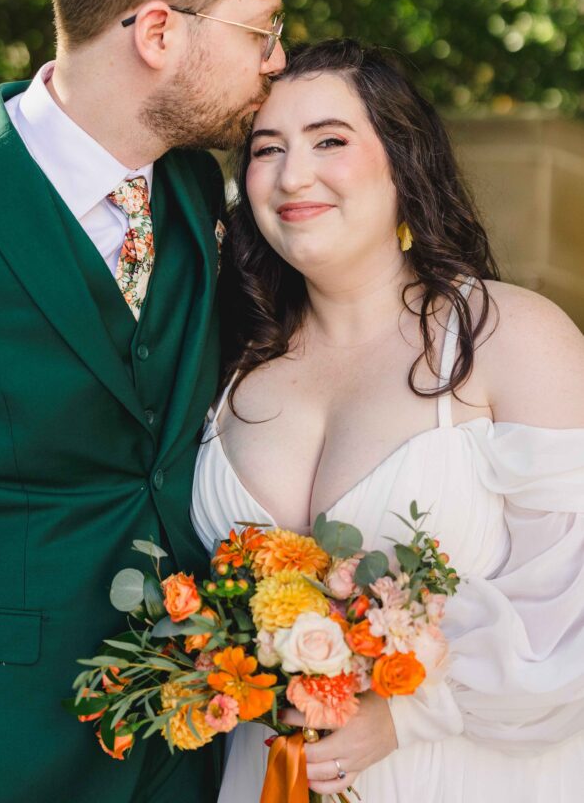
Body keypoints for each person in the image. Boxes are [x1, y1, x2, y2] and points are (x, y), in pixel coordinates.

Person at [0, 0, 310, 803]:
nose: (277, 60)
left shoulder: (193, 190)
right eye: (264, 28)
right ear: (159, 31)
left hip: (181, 744)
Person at [191, 39, 584, 802]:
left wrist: (408, 717)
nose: (292, 175)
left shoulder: (511, 337)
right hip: (266, 774)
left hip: (463, 772)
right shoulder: (224, 358)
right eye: (266, 149)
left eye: (329, 141)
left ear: (403, 160)